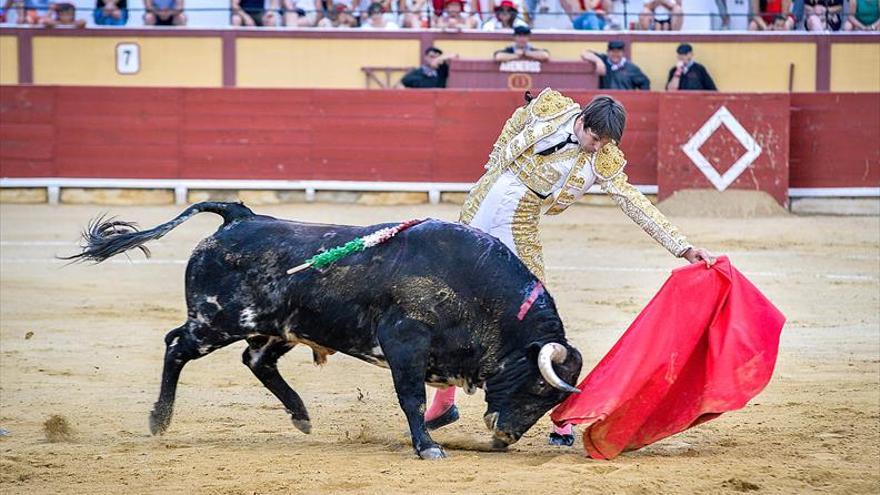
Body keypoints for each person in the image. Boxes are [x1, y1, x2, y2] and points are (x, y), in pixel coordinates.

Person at [424, 88, 717, 447]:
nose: (597, 147)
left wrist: (683, 247)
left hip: (519, 223)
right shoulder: (550, 108)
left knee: (536, 322)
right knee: (450, 307)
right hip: (479, 209)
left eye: (605, 142)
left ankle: (561, 416)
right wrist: (494, 167)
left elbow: (634, 203)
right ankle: (445, 400)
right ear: (582, 122)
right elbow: (514, 124)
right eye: (595, 138)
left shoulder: (602, 160)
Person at [581, 40, 650, 90]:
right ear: (608, 52)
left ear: (623, 53)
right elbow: (585, 53)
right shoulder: (603, 60)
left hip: (625, 103)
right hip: (606, 103)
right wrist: (598, 61)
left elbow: (645, 82)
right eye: (613, 51)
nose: (615, 54)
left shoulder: (631, 68)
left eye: (618, 52)